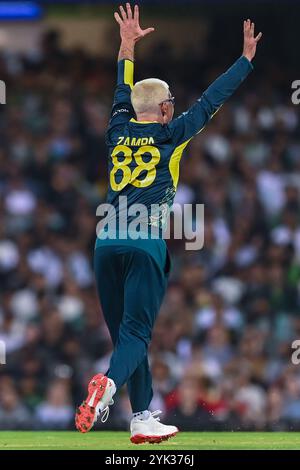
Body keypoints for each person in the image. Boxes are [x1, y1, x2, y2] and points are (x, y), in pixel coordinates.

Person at [75, 3, 262, 444]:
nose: (174, 108)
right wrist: (245, 61)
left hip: (105, 242)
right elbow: (212, 100)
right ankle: (107, 386)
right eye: (171, 104)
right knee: (137, 333)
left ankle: (141, 417)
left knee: (128, 338)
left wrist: (126, 45)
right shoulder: (172, 133)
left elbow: (123, 88)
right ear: (162, 108)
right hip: (145, 240)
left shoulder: (116, 128)